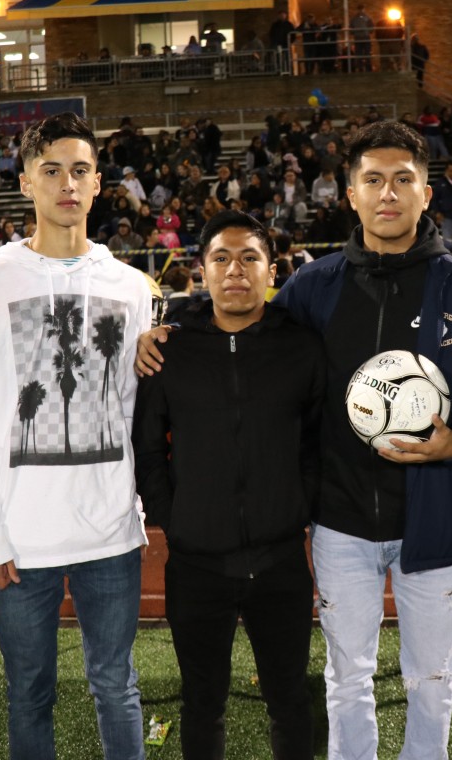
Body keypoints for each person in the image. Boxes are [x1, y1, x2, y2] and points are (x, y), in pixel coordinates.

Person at [137, 120, 452, 760]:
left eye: (402, 180)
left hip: (435, 515)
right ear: (351, 193)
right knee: (346, 680)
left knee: (431, 680)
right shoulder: (316, 287)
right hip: (339, 522)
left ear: (426, 194)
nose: (387, 193)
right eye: (373, 180)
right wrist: (172, 327)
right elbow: (247, 326)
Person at [0, 112, 154, 760]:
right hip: (20, 537)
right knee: (28, 692)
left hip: (110, 532)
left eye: (81, 170)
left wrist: (134, 503)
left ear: (98, 185)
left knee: (116, 685)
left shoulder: (130, 287)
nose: (68, 182)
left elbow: (131, 410)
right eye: (52, 170)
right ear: (29, 183)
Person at [134, 210, 325, 759]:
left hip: (279, 561)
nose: (235, 270)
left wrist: (297, 506)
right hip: (196, 565)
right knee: (202, 701)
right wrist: (178, 517)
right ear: (202, 270)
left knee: (289, 698)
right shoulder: (170, 351)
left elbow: (317, 441)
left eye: (249, 258)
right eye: (221, 258)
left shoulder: (301, 348)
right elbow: (148, 448)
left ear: (271, 270)